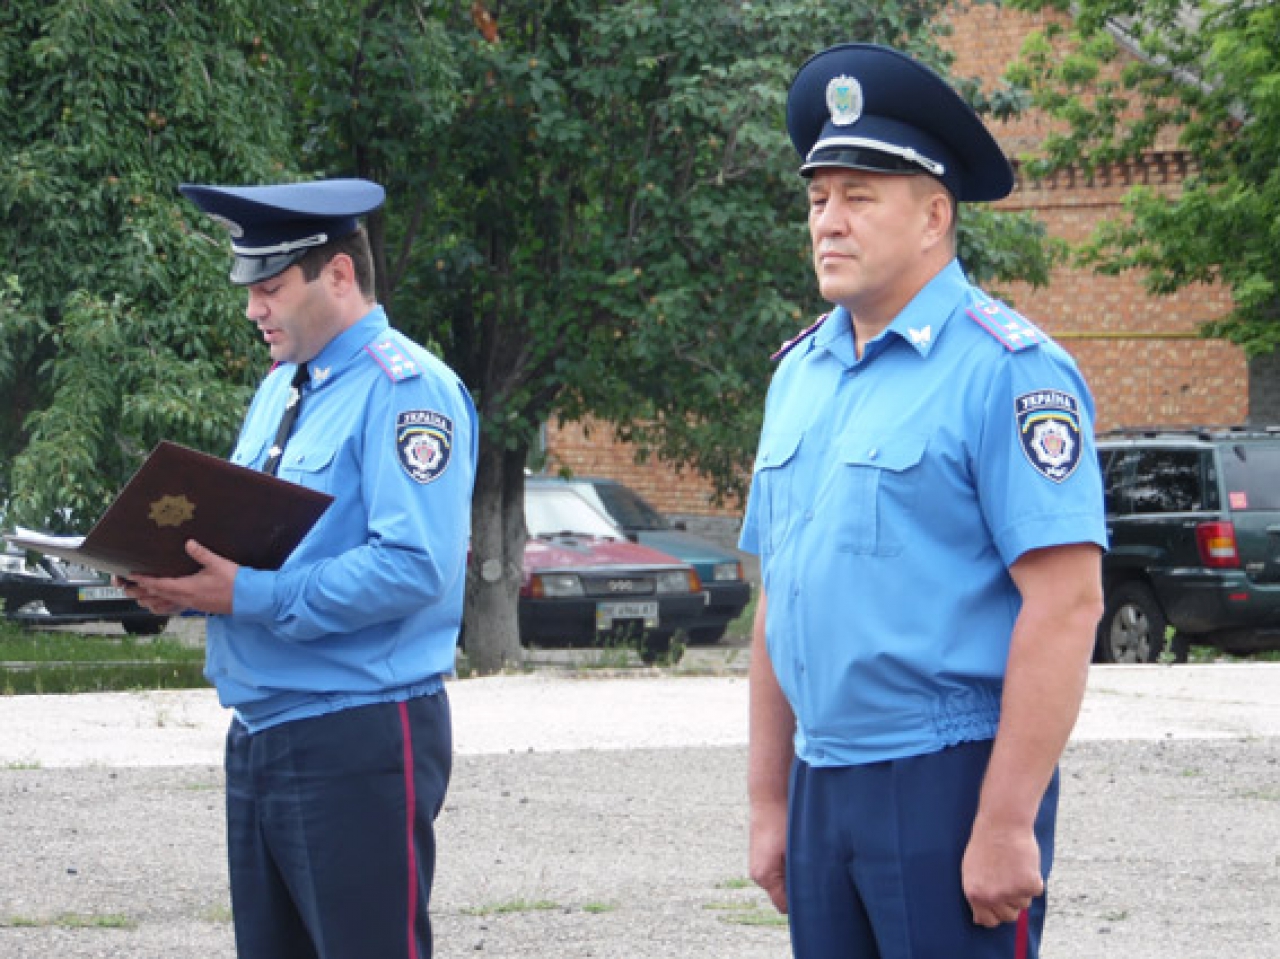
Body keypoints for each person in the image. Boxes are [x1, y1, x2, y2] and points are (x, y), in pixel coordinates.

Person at [740, 44, 1108, 959]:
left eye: (859, 197)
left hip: (948, 778)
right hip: (825, 776)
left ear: (936, 215)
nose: (829, 221)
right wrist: (769, 798)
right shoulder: (800, 375)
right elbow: (779, 598)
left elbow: (1066, 603)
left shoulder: (1008, 371)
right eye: (818, 198)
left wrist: (1007, 818)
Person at [124, 178, 477, 959]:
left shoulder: (407, 389)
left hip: (356, 732)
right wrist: (173, 579)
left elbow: (415, 566)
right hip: (262, 728)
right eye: (250, 288)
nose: (254, 307)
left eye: (273, 286)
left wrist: (245, 592)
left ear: (340, 276)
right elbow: (257, 539)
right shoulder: (281, 388)